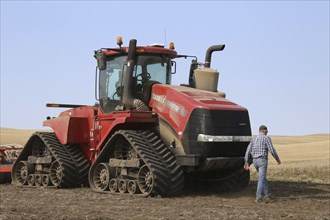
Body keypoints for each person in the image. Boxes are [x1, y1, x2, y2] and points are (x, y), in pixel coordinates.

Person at [244, 125, 281, 203]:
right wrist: (277, 159)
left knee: (262, 178)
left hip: (255, 161)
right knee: (261, 179)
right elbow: (272, 150)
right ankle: (259, 197)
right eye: (267, 132)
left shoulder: (254, 139)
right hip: (262, 161)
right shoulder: (266, 138)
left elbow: (248, 151)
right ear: (265, 131)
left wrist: (246, 162)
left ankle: (268, 194)